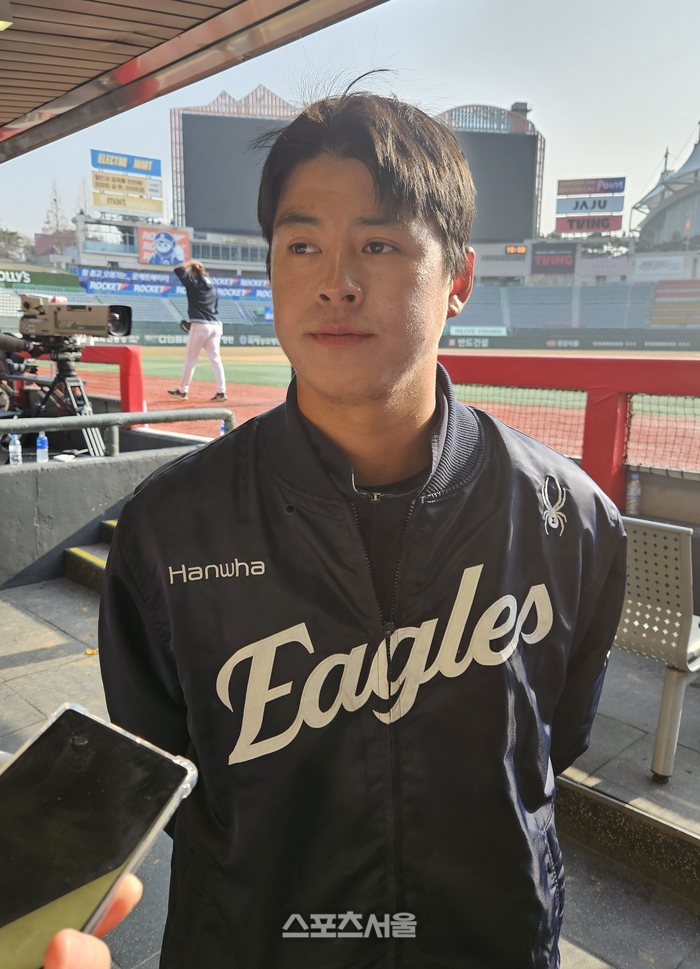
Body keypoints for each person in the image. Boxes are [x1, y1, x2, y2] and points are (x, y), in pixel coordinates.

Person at [99, 91, 626, 968]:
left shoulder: (566, 516)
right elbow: (168, 769)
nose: (335, 281)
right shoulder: (169, 528)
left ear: (458, 279)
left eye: (379, 245)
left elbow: (551, 741)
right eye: (302, 245)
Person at [168, 260, 227, 402]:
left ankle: (182, 390)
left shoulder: (194, 284)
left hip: (200, 325)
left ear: (193, 272)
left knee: (191, 359)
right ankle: (221, 392)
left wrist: (190, 262)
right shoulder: (213, 288)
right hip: (216, 325)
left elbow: (178, 269)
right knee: (216, 359)